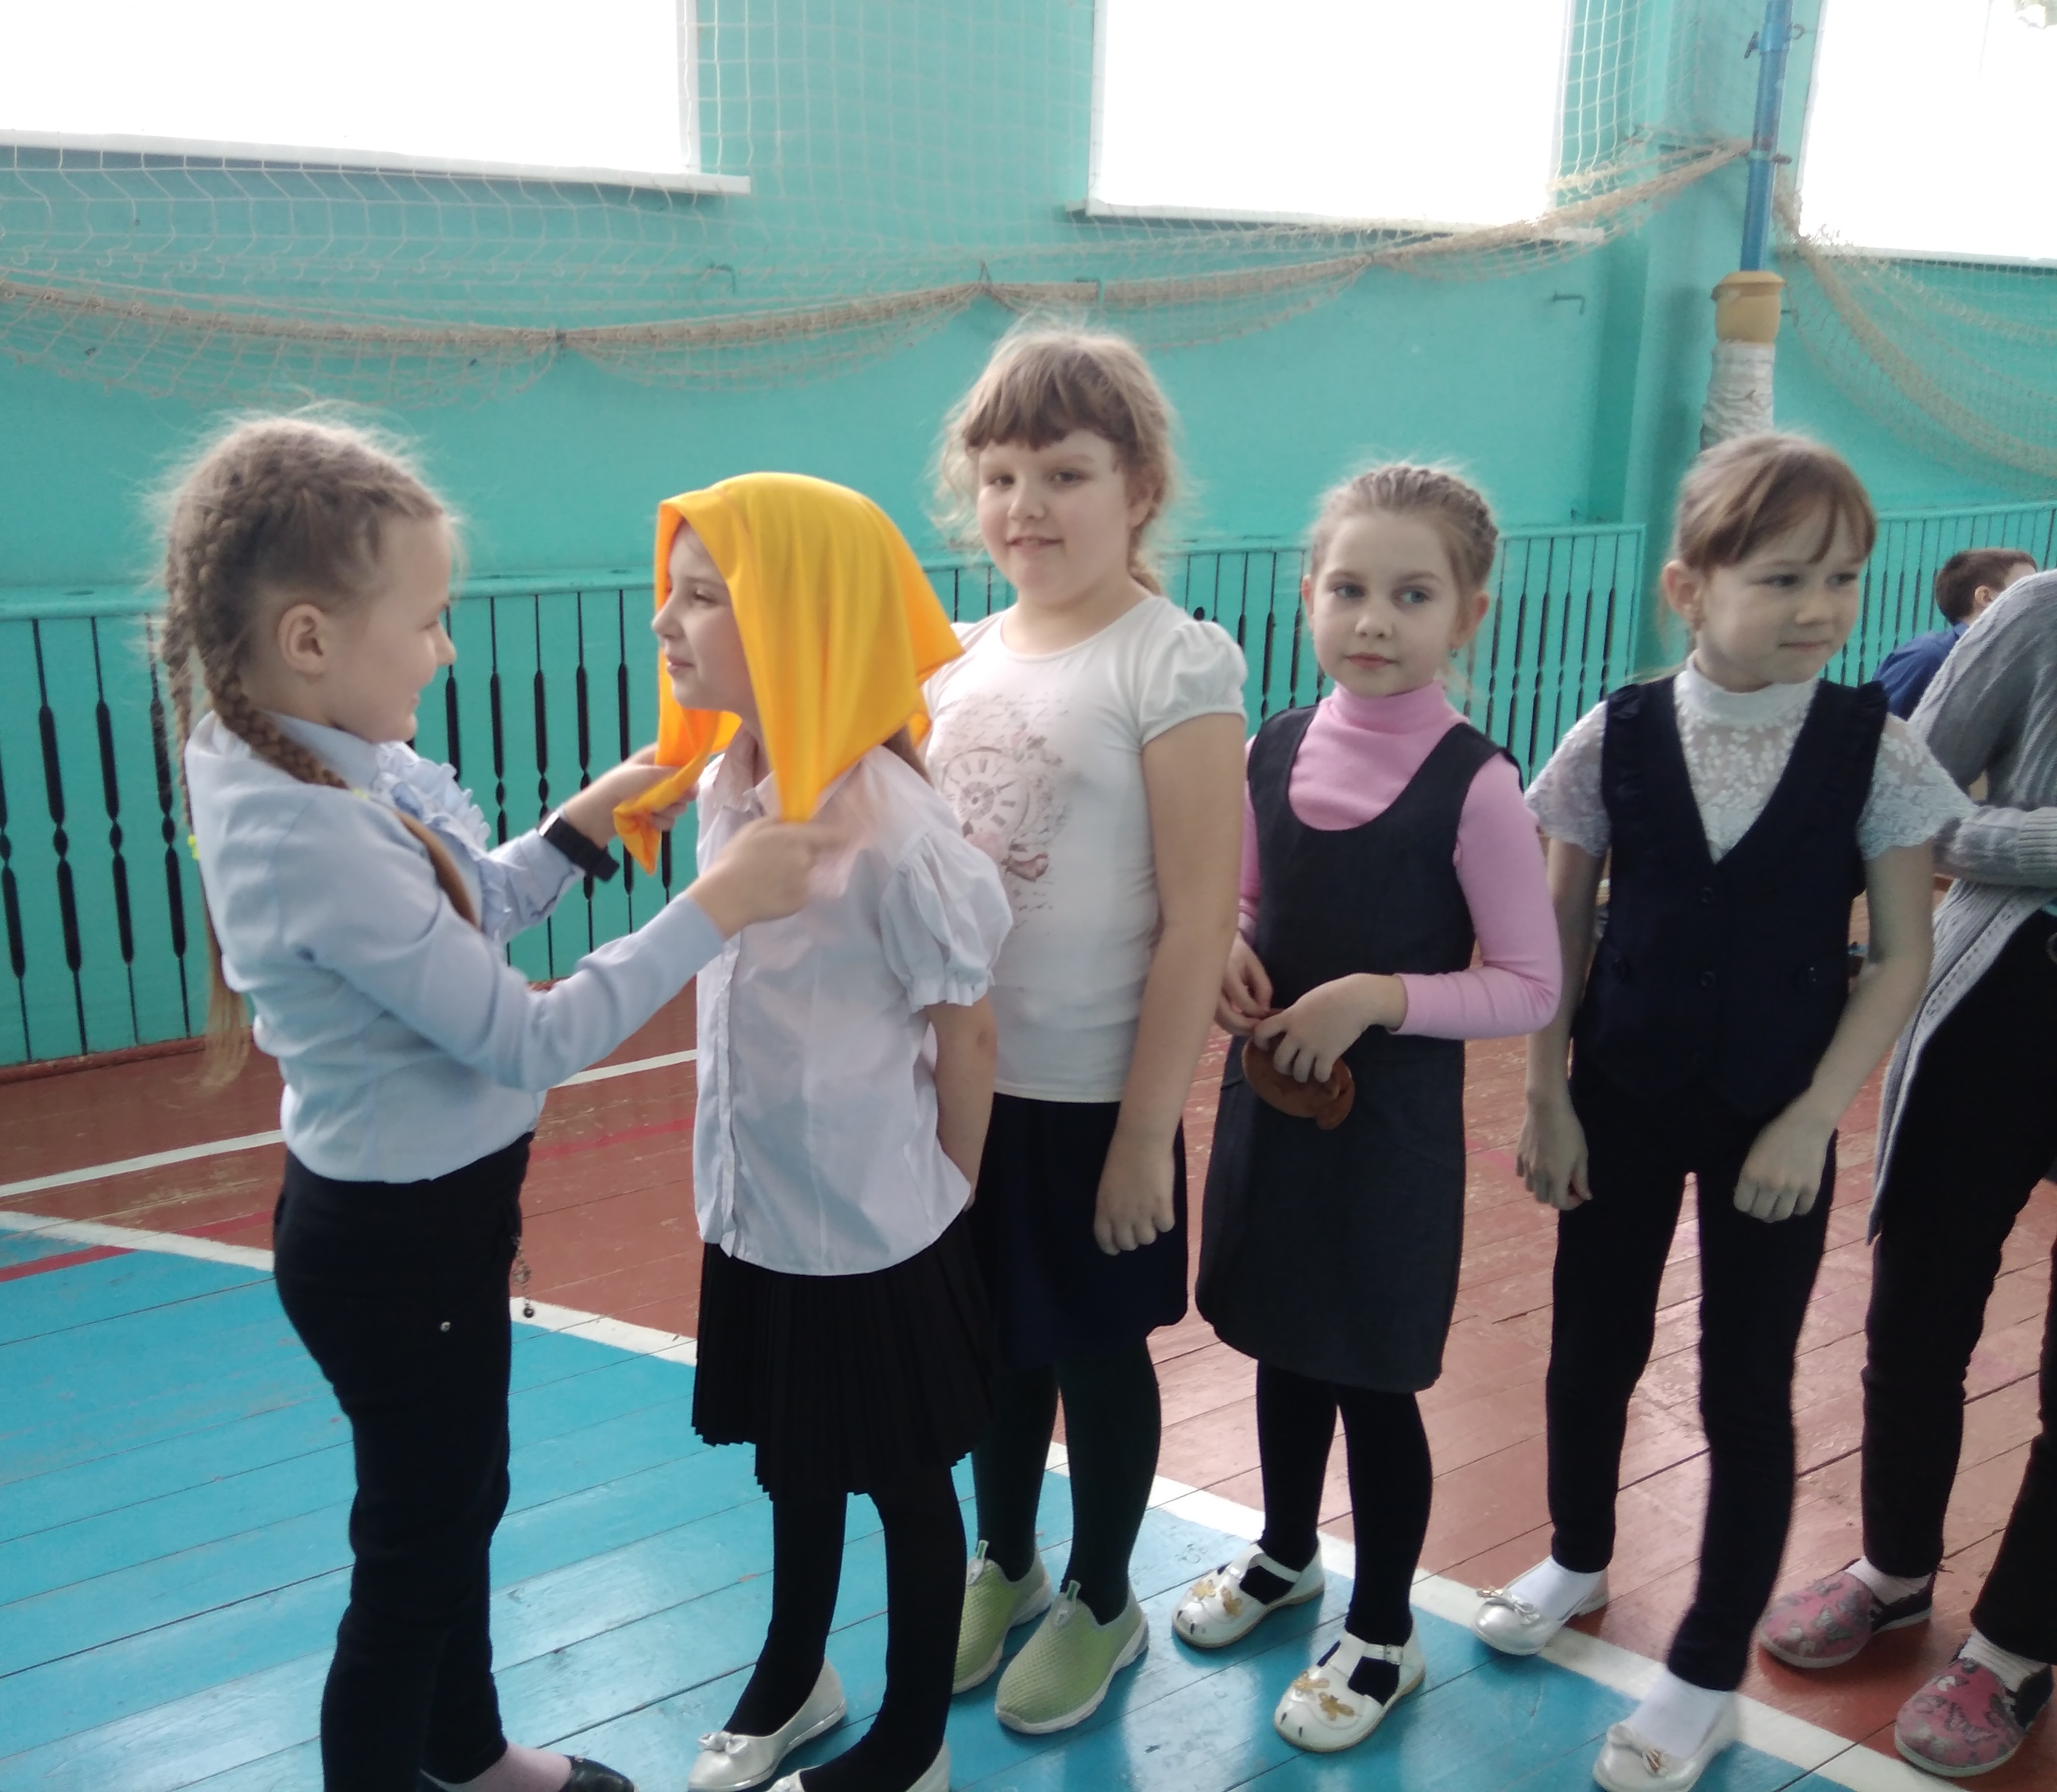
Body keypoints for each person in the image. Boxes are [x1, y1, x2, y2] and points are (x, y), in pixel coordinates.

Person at [166, 418, 831, 1792]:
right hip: (395, 1251)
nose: (445, 650)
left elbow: (456, 911)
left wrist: (580, 830)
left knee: (458, 1502)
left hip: (421, 1233)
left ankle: (466, 1754)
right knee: (414, 1551)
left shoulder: (303, 761)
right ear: (308, 639)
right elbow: (525, 1035)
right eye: (426, 622)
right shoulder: (308, 828)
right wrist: (715, 906)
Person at [1484, 434, 1968, 1792]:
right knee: (1590, 1348)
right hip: (1619, 1093)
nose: (1820, 607)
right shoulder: (1617, 731)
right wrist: (1544, 1094)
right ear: (1688, 587)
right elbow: (1559, 924)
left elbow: (1902, 955)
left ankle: (1703, 1667)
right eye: (1783, 577)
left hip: (1773, 1114)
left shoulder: (1873, 748)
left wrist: (1814, 1116)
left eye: (1842, 577)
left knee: (1743, 1383)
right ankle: (1579, 1554)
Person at [609, 473, 1012, 1792]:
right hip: (760, 1209)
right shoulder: (731, 779)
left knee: (902, 1479)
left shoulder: (890, 827)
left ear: (802, 622)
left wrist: (944, 1197)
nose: (664, 621)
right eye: (672, 590)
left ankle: (911, 1739)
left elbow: (967, 1031)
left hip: (872, 1228)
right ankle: (795, 1672)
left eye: (703, 597)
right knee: (797, 1458)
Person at [1176, 466, 1561, 1752]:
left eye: (1413, 595)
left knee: (1370, 1378)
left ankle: (1386, 1629)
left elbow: (1529, 985)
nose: (1375, 620)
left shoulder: (1478, 786)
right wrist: (1232, 952)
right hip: (1271, 1116)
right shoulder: (1271, 746)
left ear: (1470, 615)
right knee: (1281, 1347)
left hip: (1389, 1145)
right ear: (1307, 597)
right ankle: (1286, 1553)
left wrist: (1377, 998)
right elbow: (1245, 900)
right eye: (1348, 589)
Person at [919, 326, 1246, 1735]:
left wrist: (1140, 1136)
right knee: (992, 1344)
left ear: (1139, 487)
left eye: (1064, 473)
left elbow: (1197, 915)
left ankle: (1104, 1597)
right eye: (1000, 476)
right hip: (964, 1089)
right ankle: (1006, 1561)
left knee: (1096, 1351)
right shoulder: (950, 657)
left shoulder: (1171, 661)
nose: (1026, 505)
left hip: (1094, 1095)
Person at [1757, 566, 2057, 1779]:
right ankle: (1892, 1570)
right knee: (1919, 1315)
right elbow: (1904, 799)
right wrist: (2039, 841)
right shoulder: (2039, 611)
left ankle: (2017, 1644)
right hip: (2000, 1010)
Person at [1872, 547, 2036, 719]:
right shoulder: (1928, 657)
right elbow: (1875, 728)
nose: (2042, 596)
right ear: (1986, 597)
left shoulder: (2014, 663)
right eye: (2028, 589)